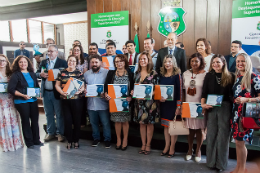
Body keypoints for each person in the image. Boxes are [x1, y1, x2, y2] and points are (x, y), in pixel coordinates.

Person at [201, 54, 234, 172]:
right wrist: (203, 105)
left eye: (218, 62)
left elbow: (232, 95)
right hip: (211, 108)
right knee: (211, 135)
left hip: (225, 108)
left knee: (223, 136)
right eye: (213, 62)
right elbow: (204, 92)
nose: (215, 64)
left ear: (223, 63)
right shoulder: (209, 76)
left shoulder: (230, 76)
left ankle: (221, 164)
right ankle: (210, 162)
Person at [230, 53, 260, 173]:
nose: (240, 64)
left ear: (247, 62)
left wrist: (246, 99)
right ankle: (238, 167)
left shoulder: (254, 77)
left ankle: (242, 169)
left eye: (242, 61)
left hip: (246, 116)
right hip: (236, 115)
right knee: (238, 142)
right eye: (238, 61)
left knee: (241, 143)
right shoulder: (237, 78)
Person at [8, 55, 42, 149]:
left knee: (35, 121)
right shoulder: (15, 75)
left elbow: (36, 86)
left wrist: (38, 92)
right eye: (21, 62)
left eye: (25, 62)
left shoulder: (32, 73)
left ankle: (36, 140)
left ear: (28, 63)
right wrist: (23, 95)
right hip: (21, 101)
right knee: (26, 121)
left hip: (33, 100)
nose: (23, 64)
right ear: (17, 64)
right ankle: (29, 142)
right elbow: (11, 89)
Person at [36, 45, 68, 142]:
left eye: (52, 51)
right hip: (46, 92)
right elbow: (37, 73)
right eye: (48, 51)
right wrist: (40, 74)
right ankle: (50, 133)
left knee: (59, 114)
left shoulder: (62, 62)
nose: (50, 53)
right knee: (48, 113)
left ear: (57, 52)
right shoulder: (44, 62)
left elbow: (66, 76)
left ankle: (60, 134)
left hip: (57, 92)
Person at [104, 54, 134, 151]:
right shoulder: (111, 73)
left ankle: (125, 140)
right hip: (114, 102)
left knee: (125, 121)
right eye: (116, 61)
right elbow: (106, 87)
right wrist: (106, 94)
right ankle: (118, 140)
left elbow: (133, 88)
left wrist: (131, 96)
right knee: (117, 121)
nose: (119, 63)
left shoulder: (130, 73)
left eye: (121, 61)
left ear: (124, 62)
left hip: (126, 102)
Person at [132, 52, 159, 155]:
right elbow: (135, 87)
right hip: (139, 103)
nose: (142, 61)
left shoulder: (154, 73)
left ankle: (148, 145)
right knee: (142, 124)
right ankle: (143, 144)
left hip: (150, 103)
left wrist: (147, 93)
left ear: (148, 61)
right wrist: (133, 92)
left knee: (149, 124)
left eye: (144, 59)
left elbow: (157, 90)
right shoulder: (137, 73)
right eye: (140, 59)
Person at [55, 55, 85, 149]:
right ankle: (69, 140)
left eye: (73, 61)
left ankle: (76, 140)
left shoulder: (79, 73)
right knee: (67, 121)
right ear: (67, 61)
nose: (71, 62)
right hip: (65, 100)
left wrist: (80, 91)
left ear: (76, 63)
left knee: (77, 121)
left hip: (77, 101)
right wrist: (62, 92)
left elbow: (83, 86)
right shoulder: (62, 72)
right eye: (70, 60)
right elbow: (57, 85)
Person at [183, 53, 207, 162]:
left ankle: (198, 150)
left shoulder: (206, 75)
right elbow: (183, 91)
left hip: (200, 105)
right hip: (188, 104)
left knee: (199, 129)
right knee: (190, 129)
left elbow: (207, 91)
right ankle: (189, 150)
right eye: (192, 61)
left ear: (201, 62)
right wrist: (182, 105)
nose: (194, 63)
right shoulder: (186, 74)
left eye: (196, 61)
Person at [84, 54, 111, 148]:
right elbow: (84, 87)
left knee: (105, 123)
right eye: (92, 62)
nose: (94, 64)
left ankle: (107, 139)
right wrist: (84, 90)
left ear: (100, 62)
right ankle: (96, 138)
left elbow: (109, 87)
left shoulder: (107, 73)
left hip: (103, 103)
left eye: (96, 62)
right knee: (93, 123)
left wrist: (106, 93)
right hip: (91, 104)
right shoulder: (86, 74)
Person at [159, 55, 182, 158]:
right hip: (164, 104)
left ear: (173, 63)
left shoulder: (177, 76)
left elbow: (180, 93)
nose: (167, 64)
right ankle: (166, 146)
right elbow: (158, 90)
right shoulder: (162, 75)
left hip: (173, 105)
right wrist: (159, 98)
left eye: (169, 61)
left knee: (173, 128)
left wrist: (178, 107)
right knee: (165, 127)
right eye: (165, 62)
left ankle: (172, 147)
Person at [0, 54, 24, 152]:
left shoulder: (11, 74)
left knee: (13, 121)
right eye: (0, 61)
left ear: (6, 62)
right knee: (4, 122)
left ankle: (16, 143)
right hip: (1, 102)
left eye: (3, 60)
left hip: (11, 101)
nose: (1, 62)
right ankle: (7, 145)